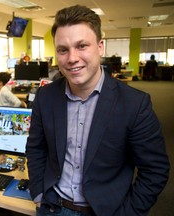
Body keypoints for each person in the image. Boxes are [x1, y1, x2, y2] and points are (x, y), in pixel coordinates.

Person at [26, 5, 170, 216]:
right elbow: (36, 148)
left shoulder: (135, 104)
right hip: (52, 207)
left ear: (100, 47)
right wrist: (38, 192)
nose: (72, 58)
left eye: (82, 46)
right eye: (63, 50)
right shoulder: (45, 97)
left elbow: (155, 171)